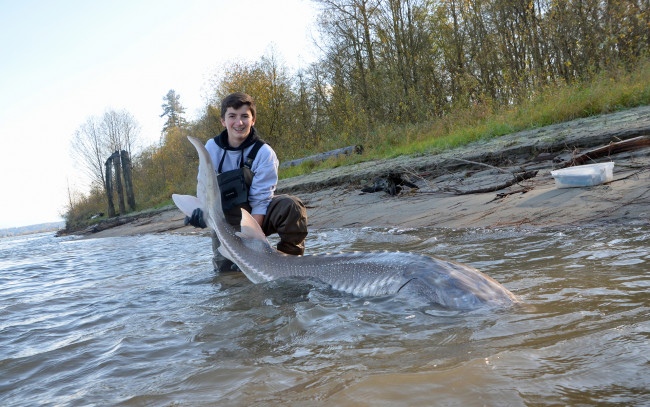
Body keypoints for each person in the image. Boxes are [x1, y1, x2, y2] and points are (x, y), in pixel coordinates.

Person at [185, 92, 308, 272]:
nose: (239, 122)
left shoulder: (264, 152)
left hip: (259, 215)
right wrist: (201, 215)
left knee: (292, 206)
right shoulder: (211, 148)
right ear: (223, 121)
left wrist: (251, 245)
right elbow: (205, 190)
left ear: (253, 120)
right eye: (232, 116)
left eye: (245, 116)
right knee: (226, 277)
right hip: (227, 221)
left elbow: (261, 201)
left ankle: (289, 266)